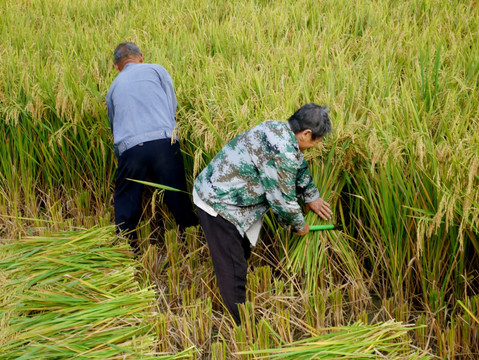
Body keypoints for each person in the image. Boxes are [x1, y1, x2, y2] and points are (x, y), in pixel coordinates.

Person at [193, 103, 333, 325]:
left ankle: (235, 305)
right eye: (317, 140)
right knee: (233, 266)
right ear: (306, 134)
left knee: (241, 252)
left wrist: (311, 196)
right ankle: (242, 324)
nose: (316, 145)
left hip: (228, 195)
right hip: (219, 203)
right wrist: (299, 225)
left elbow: (298, 165)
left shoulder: (278, 129)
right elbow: (283, 202)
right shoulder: (282, 151)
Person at [106, 42, 198, 253]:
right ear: (141, 56)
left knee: (126, 200)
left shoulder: (113, 88)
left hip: (130, 149)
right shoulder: (157, 70)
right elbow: (170, 105)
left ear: (116, 66)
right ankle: (191, 241)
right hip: (163, 142)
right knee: (177, 195)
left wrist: (123, 155)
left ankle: (126, 249)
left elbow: (114, 125)